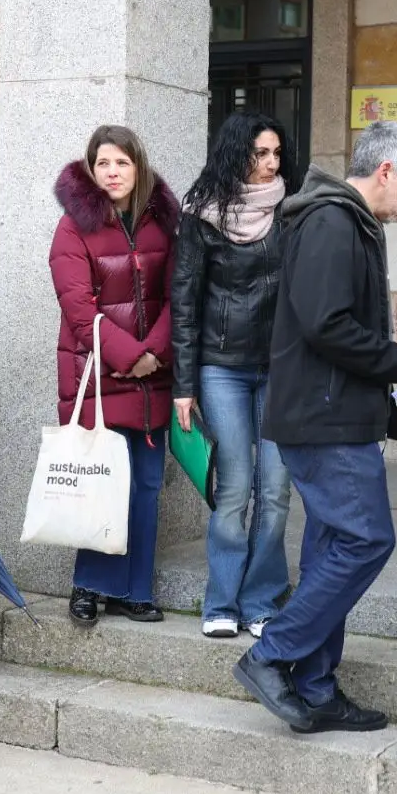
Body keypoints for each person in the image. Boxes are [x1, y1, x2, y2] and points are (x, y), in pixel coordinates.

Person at [232, 120, 397, 734]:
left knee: (330, 549)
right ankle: (270, 655)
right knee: (367, 540)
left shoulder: (344, 219)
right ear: (385, 170)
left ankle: (316, 688)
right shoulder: (332, 221)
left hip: (331, 413)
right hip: (325, 418)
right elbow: (326, 325)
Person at [171, 112, 297, 639]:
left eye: (276, 153)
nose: (271, 164)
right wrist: (183, 385)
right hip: (222, 368)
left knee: (276, 490)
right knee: (235, 488)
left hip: (280, 368)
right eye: (259, 153)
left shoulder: (291, 210)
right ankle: (221, 602)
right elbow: (183, 301)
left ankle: (262, 600)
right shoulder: (202, 213)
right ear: (235, 154)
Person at [50, 125, 177, 626]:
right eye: (103, 163)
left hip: (153, 376)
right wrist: (130, 356)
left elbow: (179, 294)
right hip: (98, 373)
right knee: (100, 482)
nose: (113, 172)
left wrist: (155, 353)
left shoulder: (163, 222)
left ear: (138, 167)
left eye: (122, 162)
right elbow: (78, 308)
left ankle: (134, 589)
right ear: (90, 169)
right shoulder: (73, 227)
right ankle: (89, 585)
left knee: (146, 486)